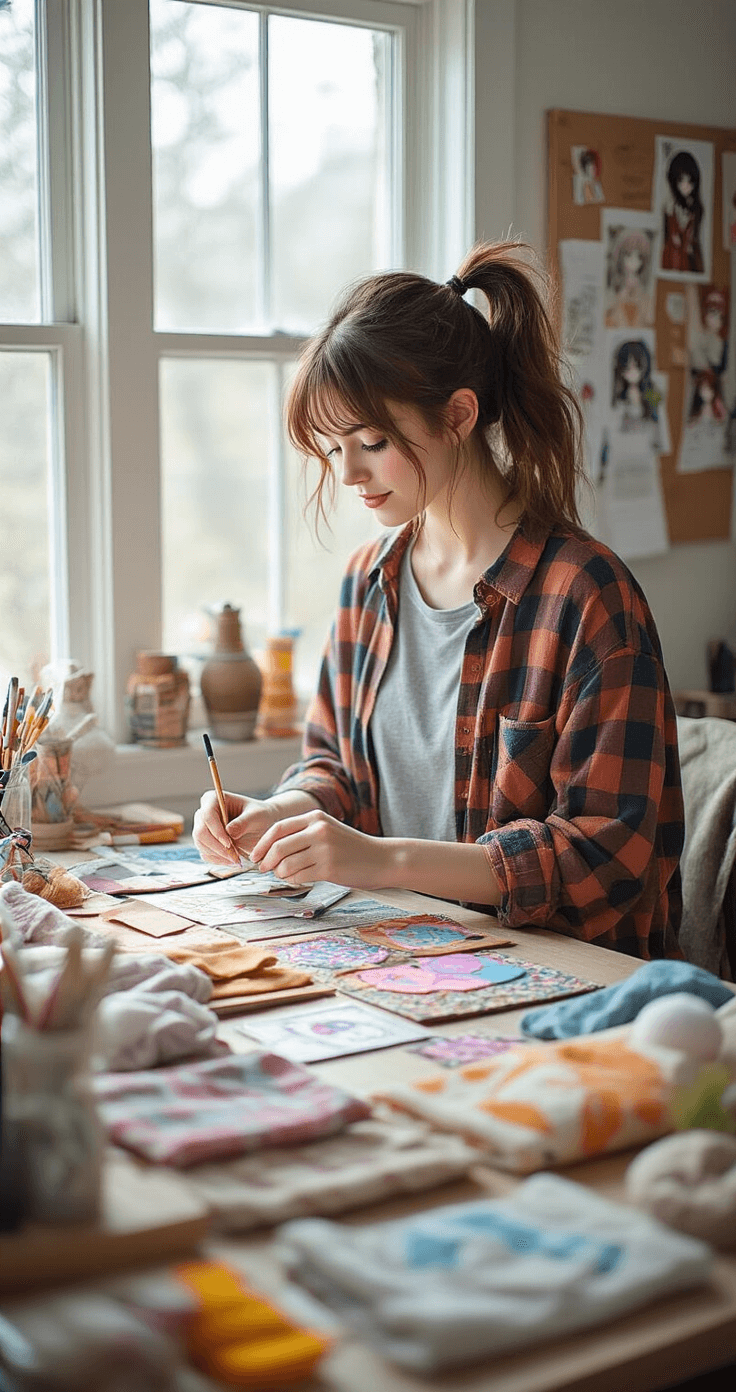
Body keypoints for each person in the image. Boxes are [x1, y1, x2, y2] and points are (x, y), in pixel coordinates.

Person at [193, 242, 684, 960]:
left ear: (457, 416)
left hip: (558, 980)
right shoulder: (370, 581)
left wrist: (380, 860)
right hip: (399, 960)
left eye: (372, 440)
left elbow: (605, 856)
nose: (351, 473)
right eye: (332, 449)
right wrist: (282, 814)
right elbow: (336, 768)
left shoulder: (585, 596)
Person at [661, 150, 704, 275]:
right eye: (681, 180)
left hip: (688, 262)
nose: (685, 186)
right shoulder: (670, 206)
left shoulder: (696, 209)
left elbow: (694, 238)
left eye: (689, 181)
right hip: (671, 258)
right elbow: (668, 235)